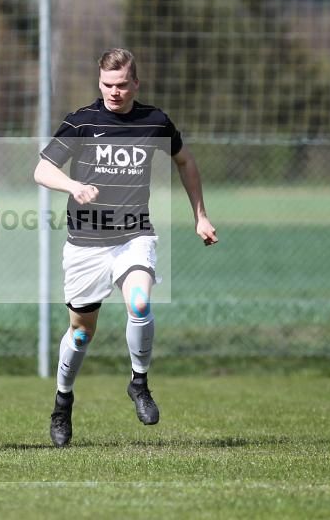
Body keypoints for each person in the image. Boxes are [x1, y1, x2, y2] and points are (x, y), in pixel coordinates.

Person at [34, 48, 218, 447]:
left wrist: (200, 215)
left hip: (134, 235)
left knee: (140, 303)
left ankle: (139, 382)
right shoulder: (82, 121)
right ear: (99, 83)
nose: (113, 93)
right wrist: (72, 186)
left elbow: (185, 162)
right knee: (81, 334)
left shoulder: (155, 122)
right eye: (106, 85)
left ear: (136, 83)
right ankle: (62, 402)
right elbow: (42, 169)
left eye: (121, 85)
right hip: (85, 243)